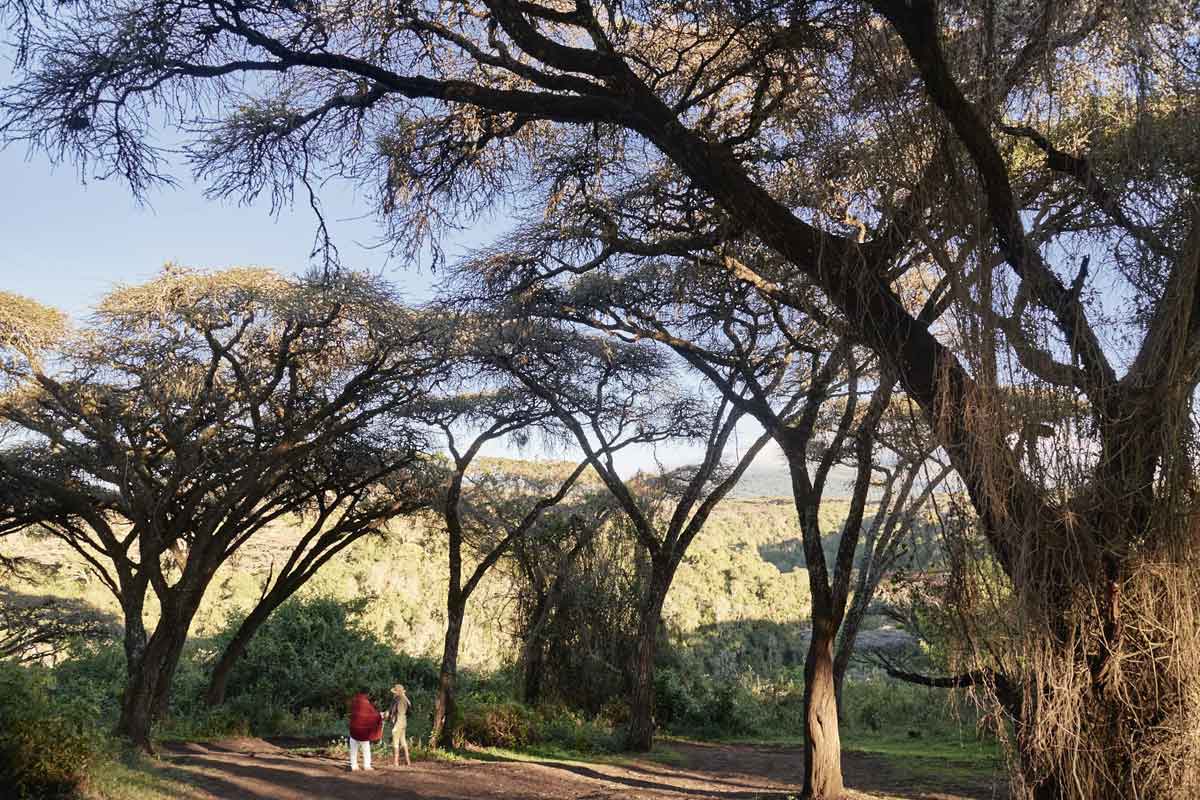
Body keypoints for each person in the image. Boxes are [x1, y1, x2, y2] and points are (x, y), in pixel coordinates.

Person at [347, 688, 383, 771]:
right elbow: (373, 715)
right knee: (366, 749)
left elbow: (353, 714)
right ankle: (367, 766)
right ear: (366, 695)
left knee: (353, 749)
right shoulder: (366, 703)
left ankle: (354, 766)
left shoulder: (354, 702)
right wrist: (380, 715)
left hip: (353, 730)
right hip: (363, 732)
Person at [385, 684, 413, 767]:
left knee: (395, 741)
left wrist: (396, 726)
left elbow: (400, 714)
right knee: (403, 741)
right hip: (403, 722)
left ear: (397, 692)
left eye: (395, 692)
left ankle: (395, 762)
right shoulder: (402, 699)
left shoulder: (401, 700)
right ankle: (408, 761)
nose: (393, 693)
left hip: (399, 722)